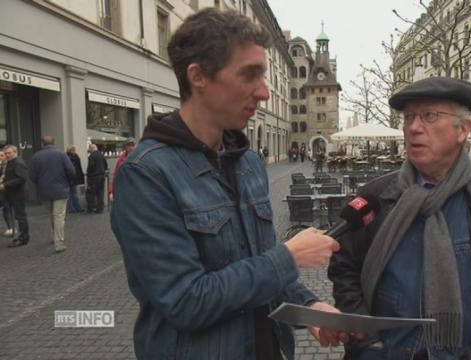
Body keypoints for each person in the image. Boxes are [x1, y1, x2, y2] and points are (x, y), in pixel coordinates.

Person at [110, 9, 344, 360]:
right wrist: (289, 255)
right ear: (198, 76)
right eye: (250, 75)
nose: (265, 92)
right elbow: (187, 301)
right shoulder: (146, 173)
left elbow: (261, 266)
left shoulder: (248, 162)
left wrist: (308, 306)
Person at [328, 77, 471, 359]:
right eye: (408, 117)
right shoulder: (376, 197)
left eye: (429, 116)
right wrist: (367, 341)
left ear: (463, 129)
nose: (414, 127)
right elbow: (344, 269)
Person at [29, 136, 75, 253]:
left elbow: (32, 176)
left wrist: (41, 183)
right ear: (54, 142)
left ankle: (55, 236)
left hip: (44, 191)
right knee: (58, 215)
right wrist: (68, 183)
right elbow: (71, 171)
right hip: (60, 189)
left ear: (43, 143)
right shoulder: (61, 154)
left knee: (52, 214)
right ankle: (59, 242)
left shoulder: (36, 156)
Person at [1, 145, 30, 248]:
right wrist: (3, 181)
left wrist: (5, 185)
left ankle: (24, 238)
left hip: (18, 194)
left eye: (9, 153)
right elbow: (11, 176)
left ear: (15, 152)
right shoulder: (10, 162)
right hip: (12, 194)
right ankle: (21, 236)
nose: (7, 155)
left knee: (21, 216)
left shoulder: (18, 163)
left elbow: (22, 178)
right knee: (18, 216)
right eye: (6, 153)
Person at [85, 143, 108, 213]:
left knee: (90, 193)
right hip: (102, 177)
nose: (89, 151)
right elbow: (106, 165)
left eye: (89, 149)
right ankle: (100, 209)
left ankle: (90, 208)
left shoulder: (92, 156)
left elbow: (90, 167)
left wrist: (88, 173)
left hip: (93, 177)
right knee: (100, 193)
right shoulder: (102, 155)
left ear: (92, 149)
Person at [66, 145, 85, 213]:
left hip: (73, 178)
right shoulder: (73, 157)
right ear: (70, 151)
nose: (74, 151)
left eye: (74, 150)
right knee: (72, 194)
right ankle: (74, 208)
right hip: (71, 178)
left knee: (73, 194)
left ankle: (75, 208)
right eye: (73, 150)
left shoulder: (70, 157)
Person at [0, 150, 14, 235]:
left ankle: (11, 227)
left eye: (2, 155)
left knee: (7, 209)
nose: (0, 157)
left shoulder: (8, 165)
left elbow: (5, 176)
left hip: (6, 190)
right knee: (6, 209)